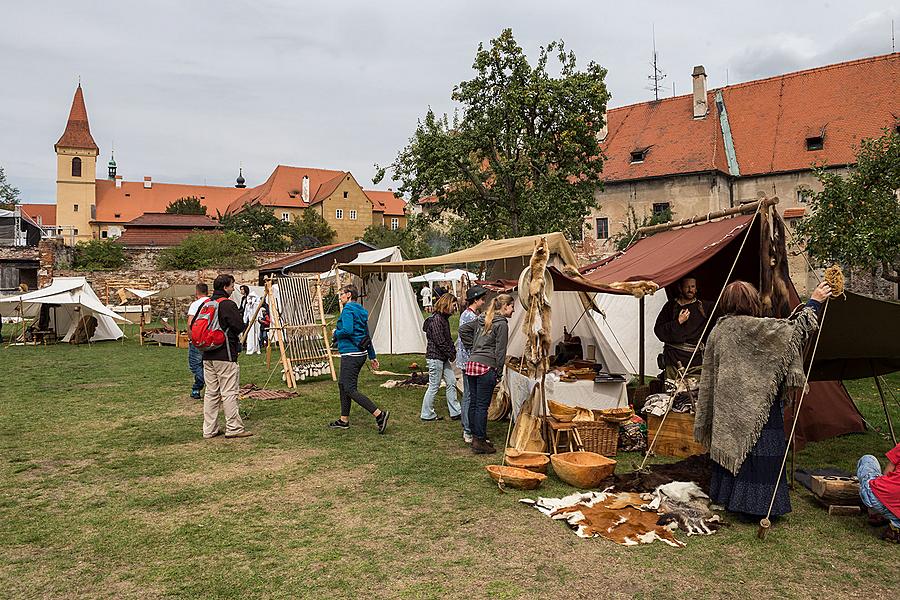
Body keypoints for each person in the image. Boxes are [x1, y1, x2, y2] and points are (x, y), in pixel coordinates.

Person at [694, 280, 832, 518]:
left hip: (728, 407)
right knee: (759, 452)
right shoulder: (758, 328)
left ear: (727, 303)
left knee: (730, 447)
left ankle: (724, 499)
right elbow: (795, 331)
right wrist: (815, 301)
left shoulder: (719, 329)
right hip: (760, 408)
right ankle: (756, 506)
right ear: (752, 302)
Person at [459, 293, 515, 454]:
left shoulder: (482, 318)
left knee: (475, 403)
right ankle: (479, 440)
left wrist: (474, 348)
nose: (513, 311)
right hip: (486, 366)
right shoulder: (501, 324)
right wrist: (498, 371)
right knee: (482, 406)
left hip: (472, 364)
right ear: (505, 307)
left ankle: (475, 435)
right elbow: (500, 350)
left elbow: (463, 330)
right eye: (512, 307)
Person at [330, 284, 390, 433]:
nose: (340, 296)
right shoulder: (361, 311)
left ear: (349, 295)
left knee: (349, 388)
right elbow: (366, 335)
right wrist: (372, 356)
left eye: (342, 294)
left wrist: (336, 332)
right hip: (360, 354)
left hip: (351, 354)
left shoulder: (348, 310)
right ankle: (344, 420)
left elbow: (348, 330)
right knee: (343, 385)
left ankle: (379, 415)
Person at [201, 274, 252, 439]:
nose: (232, 289)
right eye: (231, 286)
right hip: (225, 354)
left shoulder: (207, 304)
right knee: (229, 392)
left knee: (211, 393)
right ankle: (234, 428)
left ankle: (209, 429)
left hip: (207, 354)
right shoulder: (227, 304)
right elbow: (238, 326)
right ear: (225, 287)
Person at [654, 277, 712, 378]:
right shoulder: (671, 306)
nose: (690, 290)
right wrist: (678, 322)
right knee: (672, 391)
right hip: (673, 359)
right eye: (687, 287)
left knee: (694, 392)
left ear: (696, 288)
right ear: (680, 288)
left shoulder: (704, 307)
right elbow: (659, 330)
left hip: (695, 360)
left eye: (693, 286)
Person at [420, 293, 461, 422]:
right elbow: (440, 341)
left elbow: (448, 339)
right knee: (434, 385)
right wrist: (451, 354)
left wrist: (452, 352)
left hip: (442, 358)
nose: (455, 308)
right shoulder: (437, 319)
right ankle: (427, 414)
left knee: (451, 382)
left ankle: (456, 411)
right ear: (446, 304)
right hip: (435, 357)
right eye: (453, 305)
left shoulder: (444, 319)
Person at [456, 285, 488, 444]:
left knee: (470, 394)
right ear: (475, 300)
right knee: (469, 395)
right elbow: (467, 337)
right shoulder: (469, 317)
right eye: (482, 299)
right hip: (469, 360)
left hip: (467, 359)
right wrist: (475, 348)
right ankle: (468, 429)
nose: (483, 302)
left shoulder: (469, 314)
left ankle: (469, 427)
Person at [857, 442, 900, 543]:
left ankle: (875, 513)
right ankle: (895, 525)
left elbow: (887, 473)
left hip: (879, 497)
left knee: (868, 459)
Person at [186, 283, 210, 399]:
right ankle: (196, 388)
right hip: (210, 338)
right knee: (205, 364)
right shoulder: (212, 303)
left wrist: (191, 339)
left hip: (198, 338)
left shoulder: (195, 304)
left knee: (195, 365)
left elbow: (190, 323)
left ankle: (212, 384)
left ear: (197, 293)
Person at [242, 289, 262, 356]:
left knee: (256, 335)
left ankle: (257, 348)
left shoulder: (257, 304)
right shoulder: (248, 305)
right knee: (250, 335)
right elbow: (246, 313)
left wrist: (259, 318)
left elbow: (259, 313)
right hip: (251, 322)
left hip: (256, 322)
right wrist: (245, 320)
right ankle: (250, 348)